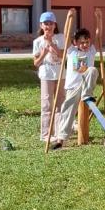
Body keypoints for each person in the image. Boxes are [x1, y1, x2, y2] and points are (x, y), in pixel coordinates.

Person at [51, 28, 98, 148]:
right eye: (81, 42)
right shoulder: (71, 51)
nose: (85, 45)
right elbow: (66, 35)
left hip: (85, 86)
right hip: (73, 87)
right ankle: (61, 139)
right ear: (75, 43)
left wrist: (98, 20)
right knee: (67, 110)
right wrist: (69, 17)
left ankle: (87, 94)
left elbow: (99, 35)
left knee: (92, 70)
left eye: (87, 42)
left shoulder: (91, 51)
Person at [32, 11, 65, 142]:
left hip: (60, 75)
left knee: (60, 104)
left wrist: (52, 44)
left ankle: (58, 133)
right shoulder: (37, 42)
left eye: (51, 23)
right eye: (46, 23)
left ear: (55, 25)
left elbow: (63, 55)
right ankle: (45, 134)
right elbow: (36, 63)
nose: (48, 26)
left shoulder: (61, 37)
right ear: (41, 25)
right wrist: (44, 52)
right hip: (46, 75)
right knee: (46, 104)